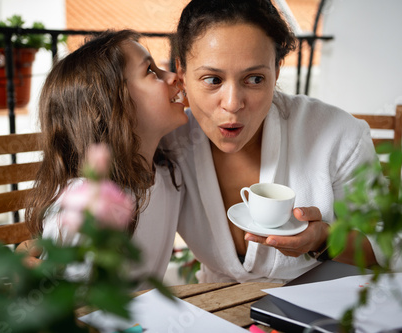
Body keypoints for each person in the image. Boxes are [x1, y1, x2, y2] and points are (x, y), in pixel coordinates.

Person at [158, 0, 382, 283]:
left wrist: (322, 240)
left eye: (254, 79)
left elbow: (386, 249)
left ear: (276, 71)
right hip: (215, 309)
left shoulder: (337, 135)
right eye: (213, 79)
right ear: (181, 71)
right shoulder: (170, 143)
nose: (232, 104)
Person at [22, 29, 188, 285]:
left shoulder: (166, 173)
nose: (175, 77)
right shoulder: (88, 204)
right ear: (112, 106)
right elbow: (64, 305)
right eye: (151, 71)